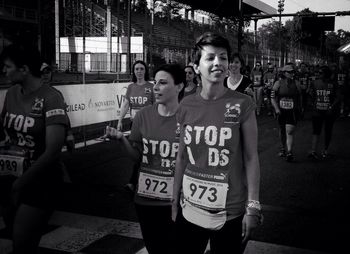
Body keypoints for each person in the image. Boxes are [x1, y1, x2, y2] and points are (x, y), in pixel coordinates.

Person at [172, 32, 262, 254]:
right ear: (196, 66)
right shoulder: (185, 106)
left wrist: (253, 206)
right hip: (190, 209)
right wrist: (174, 200)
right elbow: (182, 157)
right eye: (210, 57)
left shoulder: (243, 104)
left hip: (230, 213)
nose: (218, 63)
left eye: (223, 57)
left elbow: (251, 158)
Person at [104, 64, 185, 254]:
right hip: (146, 201)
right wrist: (122, 139)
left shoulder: (190, 118)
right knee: (155, 249)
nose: (156, 87)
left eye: (163, 83)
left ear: (179, 87)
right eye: (155, 82)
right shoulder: (143, 116)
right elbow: (137, 157)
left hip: (178, 202)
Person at [0, 44, 69, 254]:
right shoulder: (12, 93)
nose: (3, 71)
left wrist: (21, 183)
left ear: (24, 69)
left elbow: (53, 151)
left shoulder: (51, 97)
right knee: (15, 236)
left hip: (40, 181)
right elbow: (6, 134)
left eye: (7, 66)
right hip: (10, 177)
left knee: (22, 242)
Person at [117, 60, 154, 192]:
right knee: (138, 154)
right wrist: (120, 120)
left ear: (145, 71)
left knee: (145, 153)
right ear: (134, 71)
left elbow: (157, 106)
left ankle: (135, 182)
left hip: (149, 125)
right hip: (134, 125)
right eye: (137, 69)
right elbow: (126, 104)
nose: (139, 71)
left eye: (141, 69)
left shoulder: (151, 86)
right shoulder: (131, 87)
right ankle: (139, 181)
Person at [308, 65, 341, 159]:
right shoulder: (314, 83)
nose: (318, 74)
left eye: (321, 73)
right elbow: (311, 95)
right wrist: (313, 105)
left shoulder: (334, 84)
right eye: (318, 72)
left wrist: (331, 106)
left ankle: (325, 150)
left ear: (326, 74)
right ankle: (313, 151)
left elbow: (338, 97)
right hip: (317, 112)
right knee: (316, 131)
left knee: (328, 131)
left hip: (329, 112)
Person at [271, 64, 302, 162]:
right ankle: (283, 148)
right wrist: (276, 109)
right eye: (289, 72)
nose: (291, 73)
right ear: (284, 73)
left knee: (289, 131)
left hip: (292, 111)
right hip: (281, 111)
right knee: (282, 130)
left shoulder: (296, 83)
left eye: (292, 72)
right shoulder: (278, 83)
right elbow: (272, 98)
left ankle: (289, 152)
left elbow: (300, 96)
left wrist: (300, 108)